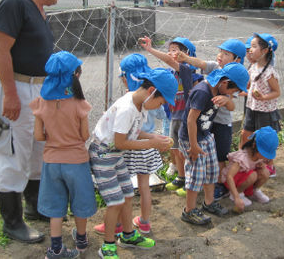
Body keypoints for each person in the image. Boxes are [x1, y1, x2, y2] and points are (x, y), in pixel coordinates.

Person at [0, 0, 76, 243]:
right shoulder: (14, 3)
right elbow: (0, 49)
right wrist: (10, 94)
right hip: (17, 85)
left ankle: (35, 204)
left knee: (39, 145)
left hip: (39, 88)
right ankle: (12, 222)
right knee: (12, 150)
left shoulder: (38, 8)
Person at [89, 68, 177, 259]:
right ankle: (108, 245)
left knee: (128, 194)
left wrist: (152, 136)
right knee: (115, 201)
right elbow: (121, 142)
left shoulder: (141, 105)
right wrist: (151, 143)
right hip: (103, 155)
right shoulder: (127, 108)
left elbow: (133, 132)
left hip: (116, 154)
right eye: (161, 102)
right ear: (152, 91)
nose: (160, 106)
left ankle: (128, 235)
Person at [29, 51, 96, 259]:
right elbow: (85, 135)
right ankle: (82, 240)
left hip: (51, 161)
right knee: (81, 201)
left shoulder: (41, 103)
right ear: (74, 75)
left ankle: (56, 248)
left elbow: (39, 136)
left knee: (56, 206)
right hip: (76, 161)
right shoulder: (79, 104)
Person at [178, 62, 249, 225]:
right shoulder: (202, 92)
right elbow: (190, 120)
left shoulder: (221, 90)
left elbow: (231, 107)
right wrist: (193, 145)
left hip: (206, 135)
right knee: (196, 175)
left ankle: (208, 203)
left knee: (211, 170)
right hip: (192, 139)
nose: (234, 93)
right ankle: (189, 211)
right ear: (225, 83)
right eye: (233, 90)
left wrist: (227, 98)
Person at [139, 36, 197, 197]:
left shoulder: (186, 70)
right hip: (173, 116)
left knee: (186, 151)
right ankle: (181, 176)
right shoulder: (170, 72)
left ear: (187, 54)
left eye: (175, 50)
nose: (171, 53)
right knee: (176, 148)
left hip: (186, 117)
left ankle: (190, 181)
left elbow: (172, 62)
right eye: (169, 50)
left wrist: (151, 50)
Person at [240, 33, 280, 178]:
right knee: (246, 133)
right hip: (252, 107)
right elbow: (249, 85)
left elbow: (276, 92)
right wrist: (244, 92)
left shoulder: (270, 72)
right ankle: (244, 159)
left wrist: (263, 97)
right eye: (250, 46)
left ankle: (270, 165)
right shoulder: (253, 67)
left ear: (265, 51)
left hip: (265, 111)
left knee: (264, 139)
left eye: (254, 46)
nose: (250, 50)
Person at [221, 126, 278, 213]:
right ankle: (237, 194)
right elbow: (229, 176)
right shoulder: (243, 158)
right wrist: (236, 197)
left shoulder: (259, 156)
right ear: (254, 146)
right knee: (253, 175)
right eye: (264, 153)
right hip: (233, 182)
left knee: (266, 172)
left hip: (246, 179)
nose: (266, 157)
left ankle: (254, 191)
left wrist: (261, 165)